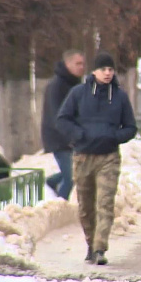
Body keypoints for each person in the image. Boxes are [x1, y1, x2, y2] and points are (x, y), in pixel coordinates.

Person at [57, 51, 137, 265]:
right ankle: (91, 244)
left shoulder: (119, 97)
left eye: (111, 69)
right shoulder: (78, 93)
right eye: (103, 69)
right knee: (85, 206)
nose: (108, 73)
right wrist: (78, 135)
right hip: (83, 157)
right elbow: (63, 119)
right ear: (94, 71)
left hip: (108, 157)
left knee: (105, 204)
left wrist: (113, 137)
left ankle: (100, 248)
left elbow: (130, 127)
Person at [41, 50, 85, 200]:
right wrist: (70, 136)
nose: (82, 67)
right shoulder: (57, 85)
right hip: (59, 138)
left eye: (83, 64)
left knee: (75, 172)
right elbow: (56, 116)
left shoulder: (74, 84)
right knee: (71, 178)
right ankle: (59, 207)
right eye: (78, 63)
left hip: (71, 138)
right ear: (68, 64)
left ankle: (49, 183)